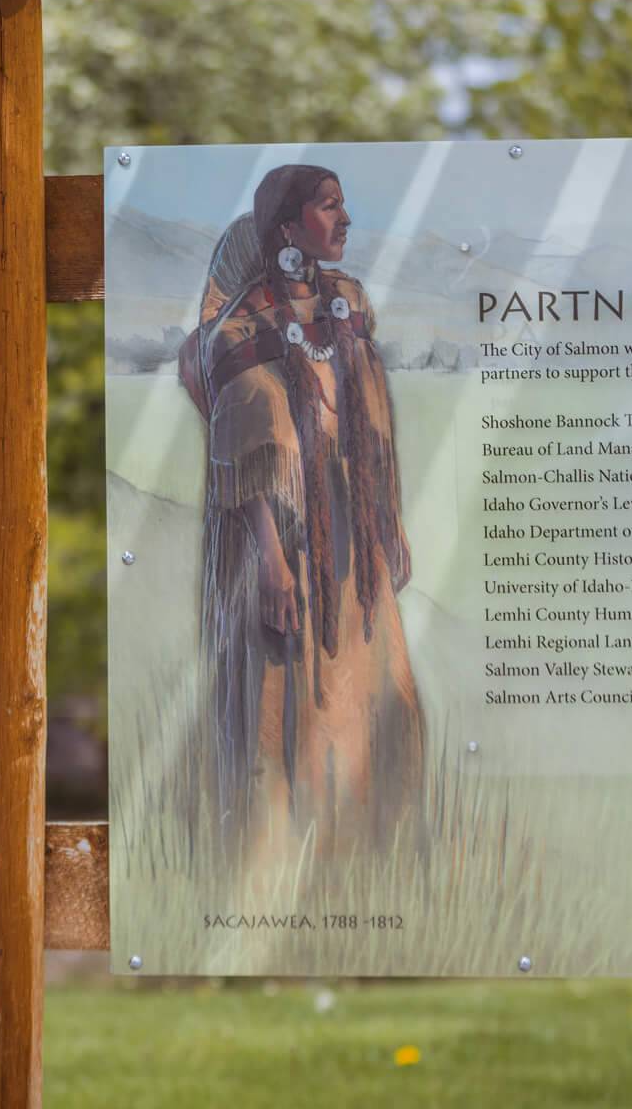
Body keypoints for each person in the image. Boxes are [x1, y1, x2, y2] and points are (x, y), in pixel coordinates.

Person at [177, 164, 422, 860]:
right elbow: (245, 448)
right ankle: (283, 859)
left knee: (378, 693)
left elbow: (369, 419)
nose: (344, 221)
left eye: (344, 207)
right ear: (286, 227)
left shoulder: (348, 301)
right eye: (328, 207)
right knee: (284, 705)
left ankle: (374, 850)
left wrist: (387, 521)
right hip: (284, 542)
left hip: (354, 541)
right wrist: (273, 563)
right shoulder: (244, 324)